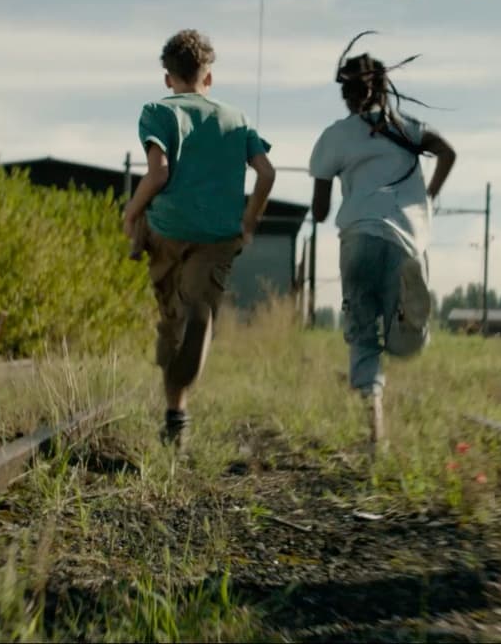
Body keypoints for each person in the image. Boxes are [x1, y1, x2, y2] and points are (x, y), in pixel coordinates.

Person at [122, 29, 276, 451]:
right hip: (218, 236)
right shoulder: (236, 119)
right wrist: (249, 220)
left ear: (167, 77)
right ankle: (196, 328)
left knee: (171, 320)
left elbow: (158, 173)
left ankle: (176, 412)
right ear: (209, 77)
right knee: (198, 311)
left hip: (167, 231)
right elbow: (266, 173)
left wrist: (131, 212)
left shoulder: (158, 111)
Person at [308, 31, 457, 455]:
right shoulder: (407, 127)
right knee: (404, 341)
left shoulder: (335, 136)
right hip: (404, 237)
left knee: (362, 335)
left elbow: (320, 211)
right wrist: (428, 196)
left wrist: (339, 183)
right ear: (382, 88)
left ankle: (375, 434)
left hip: (357, 238)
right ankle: (411, 319)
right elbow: (448, 152)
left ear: (346, 93)